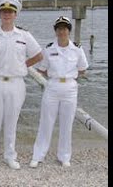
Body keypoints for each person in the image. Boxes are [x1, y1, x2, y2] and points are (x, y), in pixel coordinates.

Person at [0, 0, 43, 169]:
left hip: (16, 83)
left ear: (15, 14)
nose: (7, 14)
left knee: (12, 120)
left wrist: (22, 66)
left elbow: (39, 55)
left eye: (10, 12)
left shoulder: (24, 36)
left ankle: (10, 156)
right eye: (4, 12)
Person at [29, 16, 88, 168]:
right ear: (56, 31)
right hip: (52, 87)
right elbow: (42, 70)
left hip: (70, 88)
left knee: (67, 124)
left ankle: (64, 157)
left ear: (69, 30)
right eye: (59, 28)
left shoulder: (77, 49)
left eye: (65, 28)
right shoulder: (49, 49)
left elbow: (82, 70)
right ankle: (38, 155)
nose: (62, 31)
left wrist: (68, 78)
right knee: (46, 122)